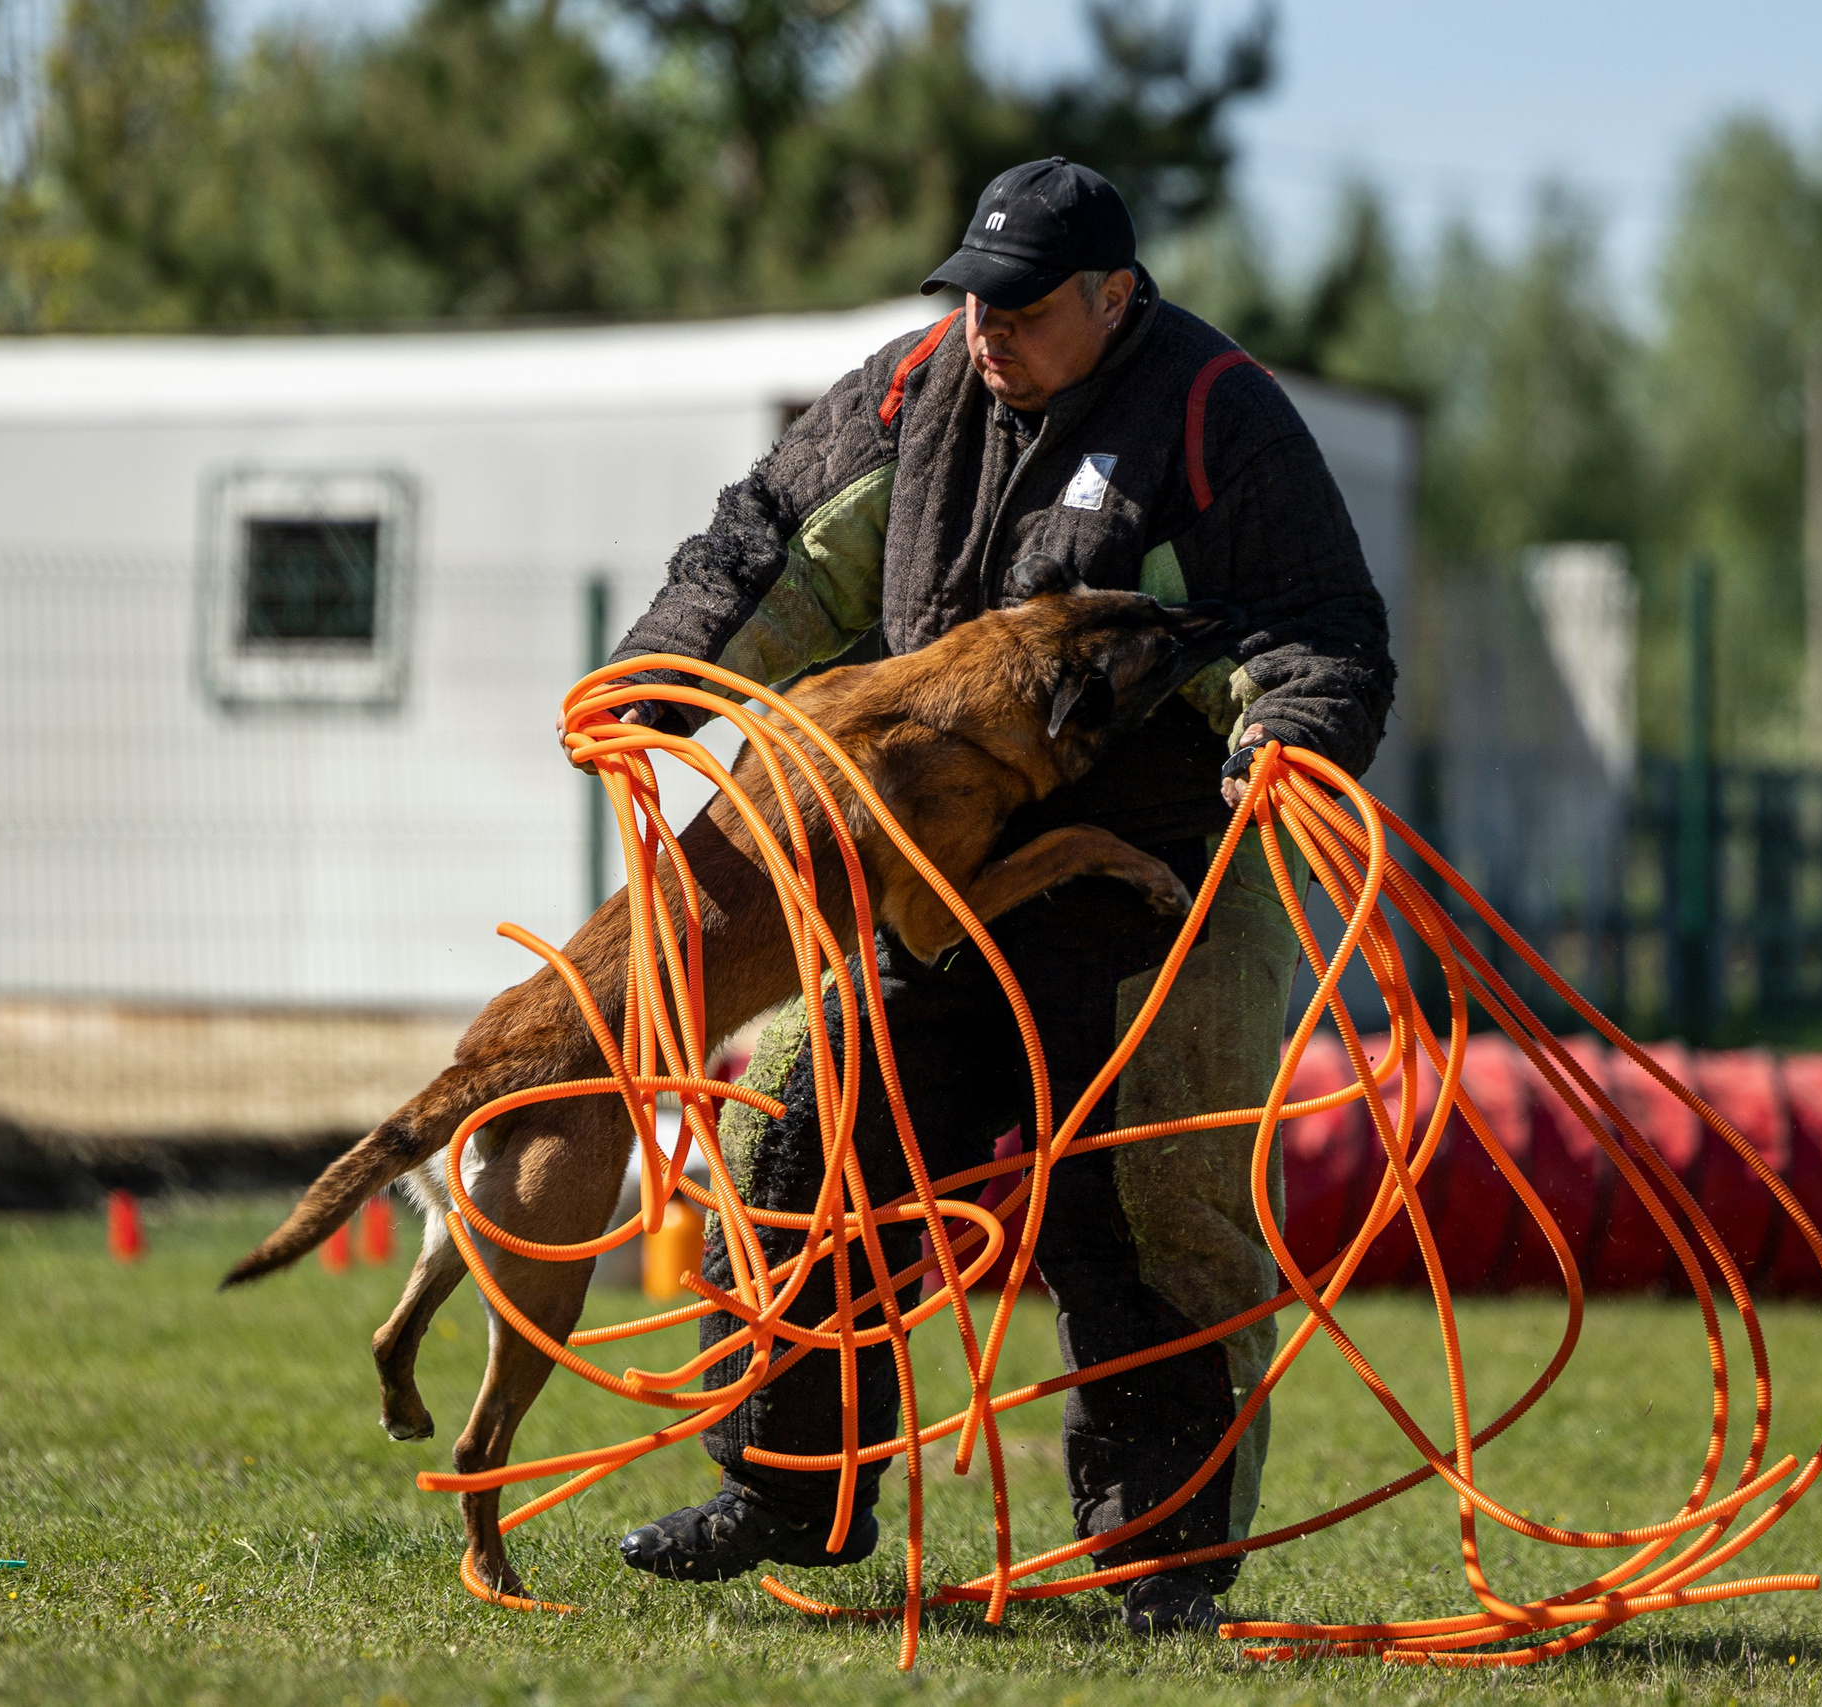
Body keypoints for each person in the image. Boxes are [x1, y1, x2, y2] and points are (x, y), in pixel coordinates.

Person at [599, 157, 1394, 1635]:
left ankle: (1162, 1563)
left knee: (1152, 1207)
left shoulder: (1220, 417)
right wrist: (662, 677)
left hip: (1160, 882)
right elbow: (771, 545)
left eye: (1023, 307)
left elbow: (1316, 627)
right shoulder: (909, 395)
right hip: (936, 881)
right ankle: (788, 1487)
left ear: (1116, 296)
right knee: (799, 1133)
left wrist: (1290, 736)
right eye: (972, 298)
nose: (988, 330)